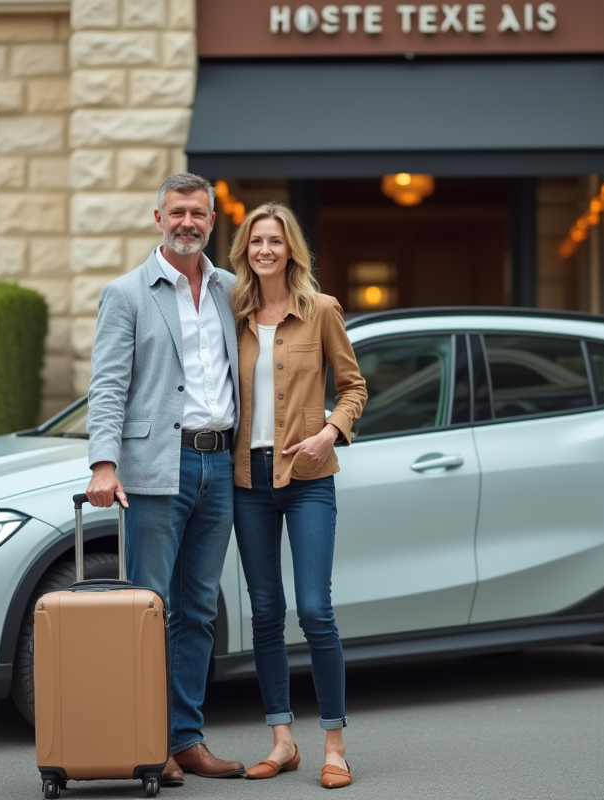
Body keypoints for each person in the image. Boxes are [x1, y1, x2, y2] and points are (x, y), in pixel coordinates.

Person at [85, 173, 246, 785]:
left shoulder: (234, 290)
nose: (188, 222)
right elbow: (107, 386)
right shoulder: (126, 293)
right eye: (177, 212)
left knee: (199, 609)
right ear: (158, 218)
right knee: (150, 608)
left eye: (198, 213)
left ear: (211, 221)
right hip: (156, 471)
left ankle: (186, 738)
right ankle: (146, 740)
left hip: (220, 465)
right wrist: (104, 462)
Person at [228, 203, 367, 789]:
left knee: (314, 608)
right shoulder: (229, 313)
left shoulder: (322, 311)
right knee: (264, 612)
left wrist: (330, 432)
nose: (265, 250)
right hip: (247, 481)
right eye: (255, 241)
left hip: (309, 478)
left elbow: (354, 385)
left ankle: (334, 744)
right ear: (244, 251)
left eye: (275, 241)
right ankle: (282, 741)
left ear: (291, 251)